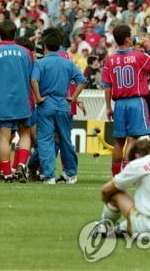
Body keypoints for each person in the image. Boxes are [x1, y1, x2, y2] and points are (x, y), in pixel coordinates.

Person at [101, 25, 150, 177]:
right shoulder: (139, 57)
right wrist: (149, 49)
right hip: (136, 101)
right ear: (128, 39)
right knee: (132, 139)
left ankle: (115, 175)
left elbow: (107, 87)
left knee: (118, 142)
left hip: (119, 103)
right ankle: (127, 173)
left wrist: (108, 107)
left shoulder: (110, 61)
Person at [31, 32, 87, 184]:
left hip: (46, 105)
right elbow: (82, 81)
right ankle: (71, 174)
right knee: (65, 140)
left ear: (44, 47)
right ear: (59, 47)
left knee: (45, 141)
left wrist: (38, 98)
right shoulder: (68, 63)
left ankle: (49, 175)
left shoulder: (40, 63)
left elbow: (34, 80)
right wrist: (73, 97)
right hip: (63, 105)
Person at [0, 19, 34, 183]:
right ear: (15, 33)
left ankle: (6, 173)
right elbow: (32, 76)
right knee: (24, 133)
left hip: (2, 99)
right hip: (22, 99)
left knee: (4, 137)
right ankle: (21, 165)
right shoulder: (26, 52)